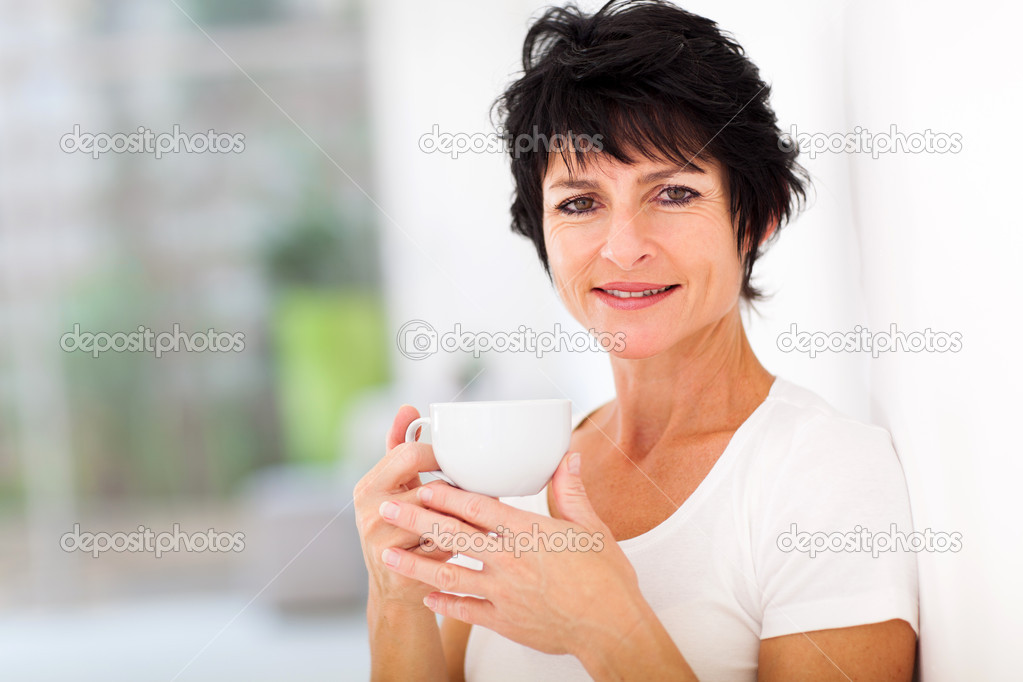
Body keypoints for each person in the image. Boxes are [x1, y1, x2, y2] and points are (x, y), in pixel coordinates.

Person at [353, 1, 918, 679]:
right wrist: (394, 591)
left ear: (757, 217)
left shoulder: (825, 475)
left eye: (673, 193)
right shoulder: (517, 471)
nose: (622, 249)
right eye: (579, 204)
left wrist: (604, 626)